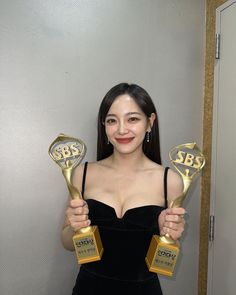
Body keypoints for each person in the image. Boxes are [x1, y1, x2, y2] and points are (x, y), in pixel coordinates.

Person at [62, 83, 186, 295]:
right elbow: (67, 243)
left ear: (150, 122)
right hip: (88, 289)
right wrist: (73, 227)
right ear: (104, 125)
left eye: (133, 119)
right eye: (112, 120)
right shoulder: (82, 174)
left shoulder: (170, 181)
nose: (121, 129)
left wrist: (171, 235)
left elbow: (166, 255)